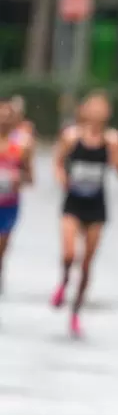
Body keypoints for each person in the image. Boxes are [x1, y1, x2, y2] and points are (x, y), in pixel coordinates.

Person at [51, 91, 118, 337]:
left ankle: (76, 311)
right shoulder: (71, 136)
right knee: (69, 254)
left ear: (108, 113)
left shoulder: (113, 140)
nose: (97, 111)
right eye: (93, 106)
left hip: (96, 206)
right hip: (73, 202)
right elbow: (57, 163)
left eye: (102, 107)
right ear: (84, 109)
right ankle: (65, 280)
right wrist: (63, 179)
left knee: (86, 263)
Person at [0, 99, 33, 291]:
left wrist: (18, 177)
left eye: (8, 116)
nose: (4, 119)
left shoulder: (21, 145)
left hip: (8, 204)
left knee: (2, 247)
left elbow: (30, 177)